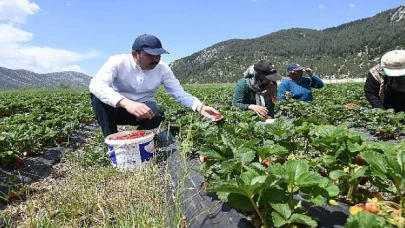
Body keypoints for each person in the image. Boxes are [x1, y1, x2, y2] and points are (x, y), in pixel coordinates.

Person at [89, 34, 222, 138]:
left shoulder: (163, 69)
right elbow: (96, 84)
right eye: (150, 55)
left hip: (144, 109)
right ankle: (112, 140)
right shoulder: (118, 62)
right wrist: (126, 103)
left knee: (157, 114)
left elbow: (179, 93)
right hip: (117, 110)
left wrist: (199, 106)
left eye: (158, 55)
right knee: (98, 97)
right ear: (135, 54)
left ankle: (138, 137)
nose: (156, 59)